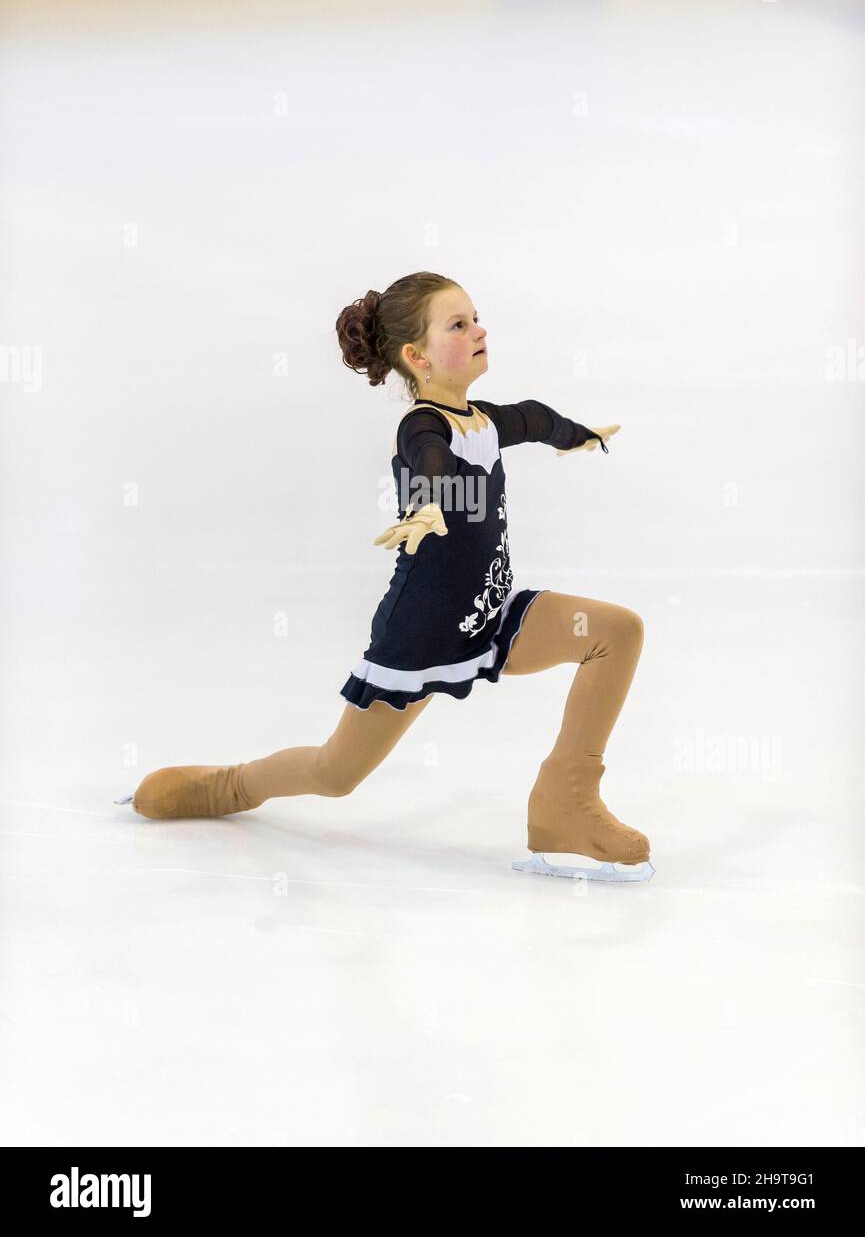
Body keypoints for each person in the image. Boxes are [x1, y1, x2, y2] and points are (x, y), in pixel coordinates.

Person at [128, 272, 650, 874]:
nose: (479, 329)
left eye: (476, 317)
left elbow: (531, 418)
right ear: (416, 356)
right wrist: (425, 505)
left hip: (491, 613)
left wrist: (577, 435)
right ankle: (229, 786)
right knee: (335, 773)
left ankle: (565, 802)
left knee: (616, 631)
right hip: (420, 634)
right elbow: (425, 457)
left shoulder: (485, 420)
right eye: (458, 324)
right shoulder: (423, 425)